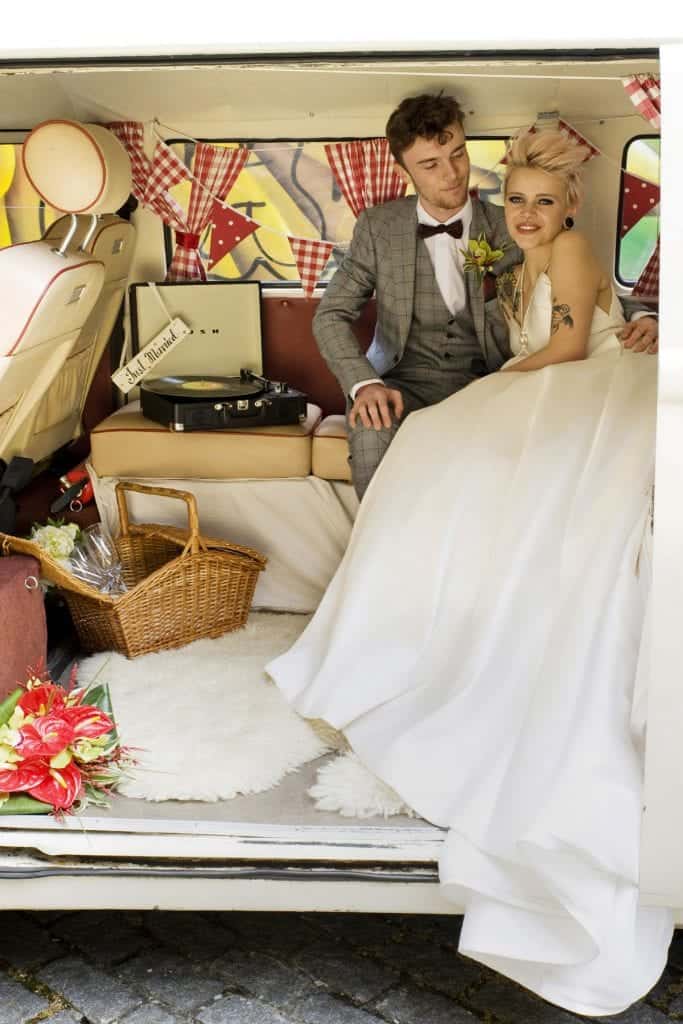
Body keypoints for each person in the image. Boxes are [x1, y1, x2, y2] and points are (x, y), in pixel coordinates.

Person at [268, 127, 673, 1016]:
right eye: (517, 199)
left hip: (589, 390)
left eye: (542, 200)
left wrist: (494, 388)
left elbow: (568, 350)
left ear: (571, 207)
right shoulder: (491, 251)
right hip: (547, 387)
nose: (527, 213)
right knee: (435, 443)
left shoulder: (565, 249)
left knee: (448, 439)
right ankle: (424, 626)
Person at [313, 92, 659, 498]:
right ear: (402, 168)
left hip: (489, 378)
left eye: (458, 154)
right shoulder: (377, 227)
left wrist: (641, 317)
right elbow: (329, 315)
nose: (453, 174)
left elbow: (576, 282)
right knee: (371, 431)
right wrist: (363, 385)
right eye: (431, 164)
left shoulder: (513, 222)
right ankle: (379, 552)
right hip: (400, 382)